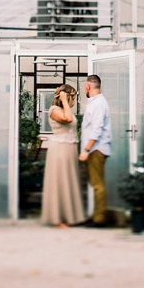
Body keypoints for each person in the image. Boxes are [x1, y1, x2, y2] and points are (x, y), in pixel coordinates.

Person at [40, 84, 86, 228]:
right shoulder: (55, 110)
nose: (74, 101)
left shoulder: (64, 109)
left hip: (69, 148)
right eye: (73, 98)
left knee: (69, 181)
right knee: (60, 182)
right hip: (60, 150)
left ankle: (69, 216)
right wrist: (65, 101)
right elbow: (67, 119)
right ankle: (57, 218)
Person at [80, 74, 112, 227]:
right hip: (95, 148)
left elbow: (96, 129)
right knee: (95, 183)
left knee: (98, 184)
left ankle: (99, 219)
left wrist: (86, 149)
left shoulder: (98, 104)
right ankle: (95, 216)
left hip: (96, 149)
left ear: (88, 86)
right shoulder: (95, 102)